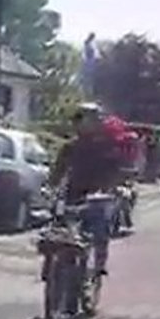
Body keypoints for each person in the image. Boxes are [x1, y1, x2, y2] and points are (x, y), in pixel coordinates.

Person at [46, 102, 126, 284]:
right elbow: (58, 170)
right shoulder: (70, 147)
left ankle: (97, 268)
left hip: (99, 195)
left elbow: (117, 170)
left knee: (99, 228)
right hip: (73, 194)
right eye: (80, 120)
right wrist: (50, 187)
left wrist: (112, 187)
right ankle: (51, 271)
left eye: (89, 120)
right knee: (56, 229)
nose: (84, 124)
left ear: (98, 123)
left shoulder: (108, 147)